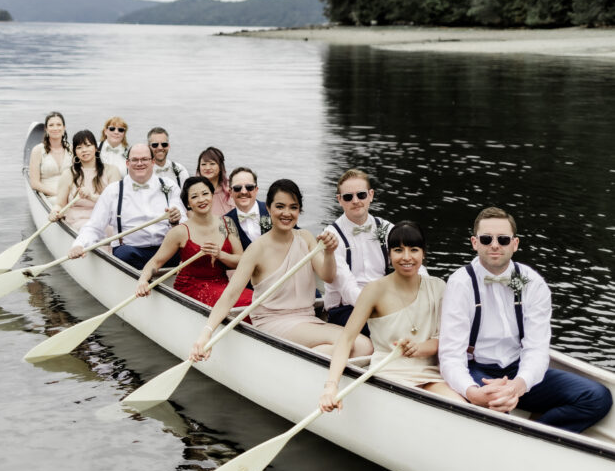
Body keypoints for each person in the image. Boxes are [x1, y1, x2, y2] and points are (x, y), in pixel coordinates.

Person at [439, 206, 612, 433]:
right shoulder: (460, 283)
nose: (494, 245)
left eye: (502, 239)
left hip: (518, 367)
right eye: (486, 238)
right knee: (495, 407)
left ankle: (537, 433)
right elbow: (451, 355)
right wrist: (472, 392)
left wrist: (518, 386)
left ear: (515, 244)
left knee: (597, 397)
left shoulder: (533, 282)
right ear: (474, 242)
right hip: (478, 368)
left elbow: (537, 349)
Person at [190, 179, 372, 359]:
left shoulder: (306, 238)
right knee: (361, 345)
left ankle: (300, 362)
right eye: (280, 206)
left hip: (306, 318)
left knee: (363, 346)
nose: (287, 213)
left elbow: (328, 276)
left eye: (293, 207)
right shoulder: (256, 249)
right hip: (273, 322)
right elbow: (230, 295)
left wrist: (330, 252)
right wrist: (206, 333)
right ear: (268, 208)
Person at [320, 222, 463, 412]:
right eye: (398, 250)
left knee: (459, 406)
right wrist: (331, 387)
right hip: (389, 373)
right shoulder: (374, 290)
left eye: (414, 250)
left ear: (423, 253)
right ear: (389, 255)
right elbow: (346, 340)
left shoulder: (438, 287)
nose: (406, 257)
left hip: (429, 373)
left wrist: (419, 348)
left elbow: (442, 339)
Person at [135, 176, 252, 307]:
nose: (201, 199)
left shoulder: (227, 223)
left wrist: (220, 255)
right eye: (195, 196)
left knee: (256, 299)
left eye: (205, 193)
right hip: (192, 288)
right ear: (188, 204)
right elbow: (156, 261)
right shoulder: (180, 231)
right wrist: (143, 280)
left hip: (223, 284)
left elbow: (241, 261)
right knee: (247, 302)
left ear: (212, 195)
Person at [67, 143, 184, 270]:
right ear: (127, 163)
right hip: (130, 252)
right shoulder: (113, 191)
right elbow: (95, 226)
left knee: (183, 252)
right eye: (135, 160)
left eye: (144, 159)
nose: (140, 163)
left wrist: (175, 221)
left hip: (165, 250)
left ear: (153, 162)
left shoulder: (169, 186)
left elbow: (184, 223)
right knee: (125, 254)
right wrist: (79, 245)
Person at [323, 169, 393, 336]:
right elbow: (347, 287)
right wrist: (378, 309)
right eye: (348, 197)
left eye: (361, 195)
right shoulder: (331, 235)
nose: (355, 201)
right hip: (345, 309)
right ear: (339, 200)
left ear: (371, 195)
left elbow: (411, 261)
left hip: (383, 304)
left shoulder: (386, 228)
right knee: (388, 330)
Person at [49, 129, 120, 231]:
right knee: (92, 230)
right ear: (75, 152)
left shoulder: (112, 171)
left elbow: (115, 203)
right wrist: (55, 212)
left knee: (113, 229)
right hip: (79, 221)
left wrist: (91, 196)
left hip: (106, 219)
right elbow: (60, 204)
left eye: (88, 145)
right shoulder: (68, 174)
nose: (84, 150)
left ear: (96, 148)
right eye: (79, 147)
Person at [29, 112, 72, 203]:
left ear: (64, 128)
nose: (55, 128)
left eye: (59, 125)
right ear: (46, 129)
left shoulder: (71, 149)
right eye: (51, 125)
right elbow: (34, 183)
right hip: (50, 196)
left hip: (70, 193)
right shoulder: (37, 151)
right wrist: (56, 193)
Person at [225, 167, 270, 249]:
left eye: (249, 187)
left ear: (256, 190)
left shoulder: (272, 211)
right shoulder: (225, 222)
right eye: (237, 188)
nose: (243, 192)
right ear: (230, 192)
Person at [196, 147, 234, 216]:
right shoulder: (193, 190)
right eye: (203, 164)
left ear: (220, 166)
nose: (207, 168)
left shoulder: (231, 188)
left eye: (212, 164)